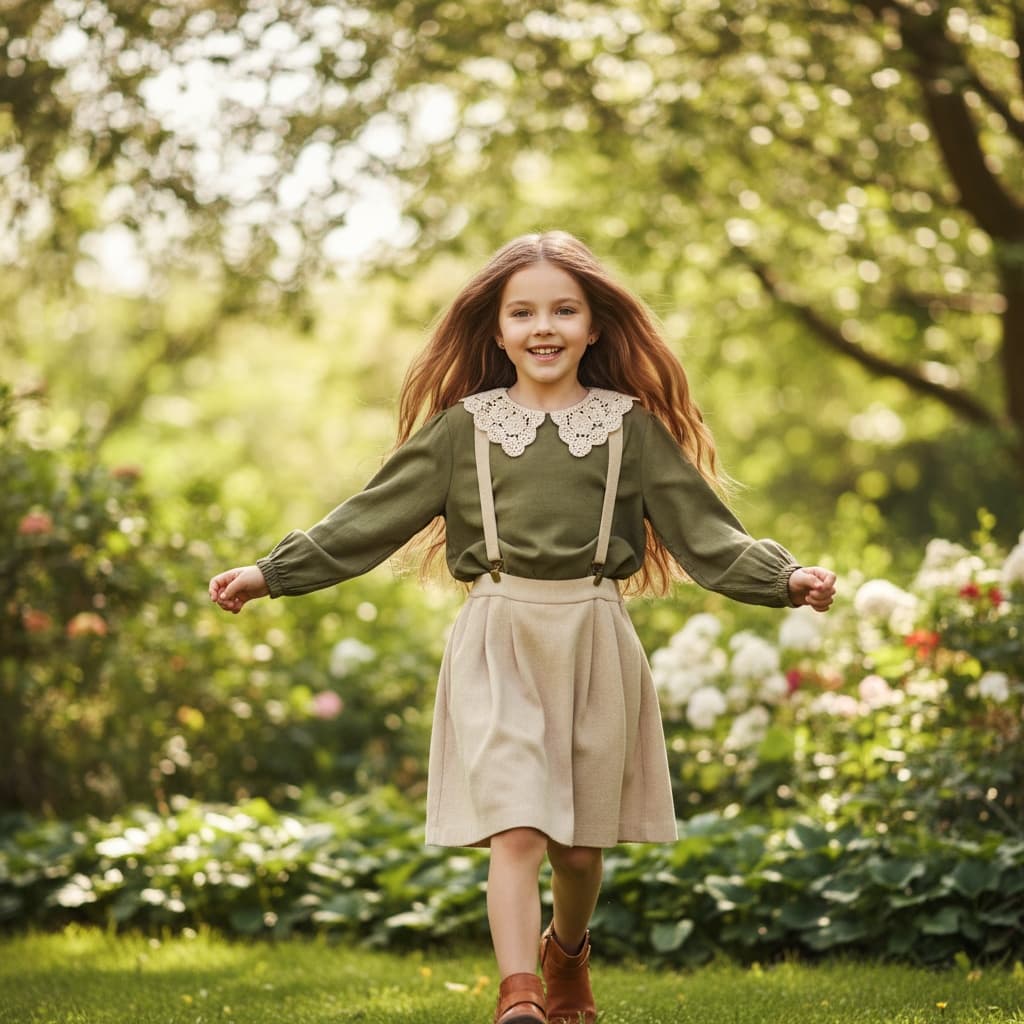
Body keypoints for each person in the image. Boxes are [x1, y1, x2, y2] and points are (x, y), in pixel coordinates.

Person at [209, 230, 837, 1024]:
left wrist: (785, 578)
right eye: (525, 312)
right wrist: (272, 573)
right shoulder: (461, 429)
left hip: (593, 636)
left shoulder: (629, 428)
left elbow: (705, 531)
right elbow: (368, 519)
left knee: (578, 851)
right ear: (497, 329)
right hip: (498, 634)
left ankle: (565, 951)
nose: (545, 326)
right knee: (518, 829)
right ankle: (519, 1000)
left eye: (564, 310)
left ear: (594, 326)